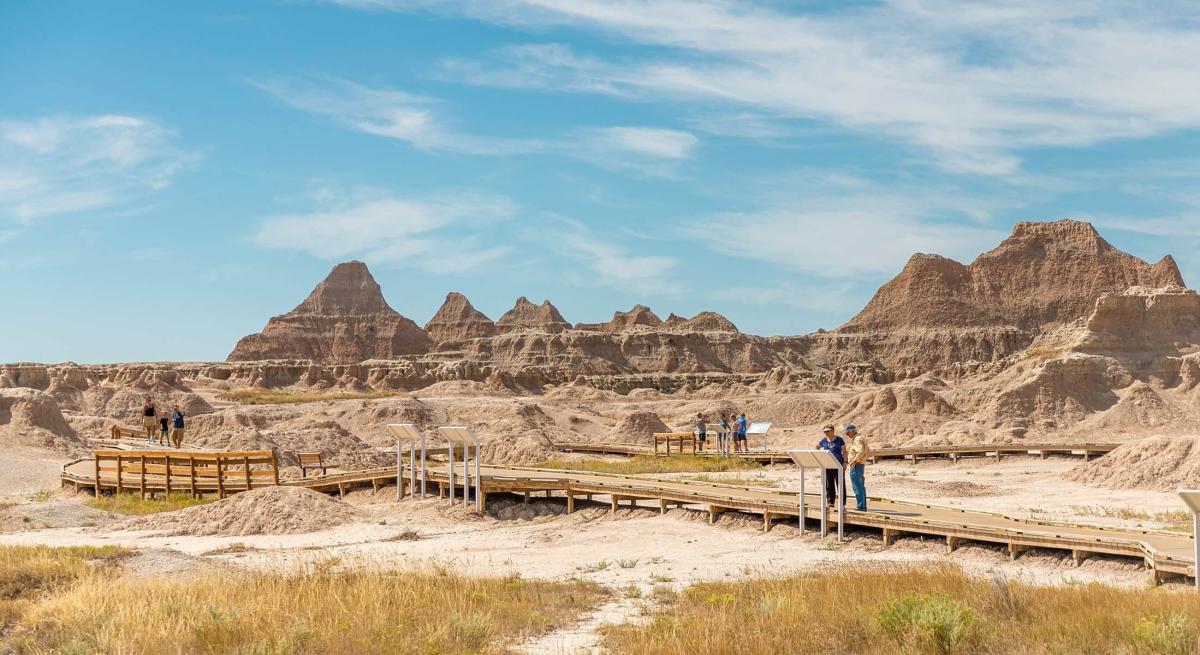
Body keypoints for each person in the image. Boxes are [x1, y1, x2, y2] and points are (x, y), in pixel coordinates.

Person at [816, 424, 847, 506]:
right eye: (825, 431)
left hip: (838, 464)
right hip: (828, 464)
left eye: (828, 431)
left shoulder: (839, 440)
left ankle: (842, 503)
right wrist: (820, 456)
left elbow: (844, 451)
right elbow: (817, 447)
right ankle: (831, 502)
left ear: (832, 431)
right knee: (829, 484)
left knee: (840, 483)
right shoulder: (823, 441)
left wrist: (845, 462)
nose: (826, 433)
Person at [846, 423, 869, 510]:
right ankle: (862, 505)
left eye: (847, 433)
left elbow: (861, 451)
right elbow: (867, 451)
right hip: (860, 464)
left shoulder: (857, 439)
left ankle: (861, 506)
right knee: (860, 485)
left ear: (852, 431)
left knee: (857, 485)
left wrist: (854, 461)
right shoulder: (860, 438)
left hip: (856, 465)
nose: (847, 435)